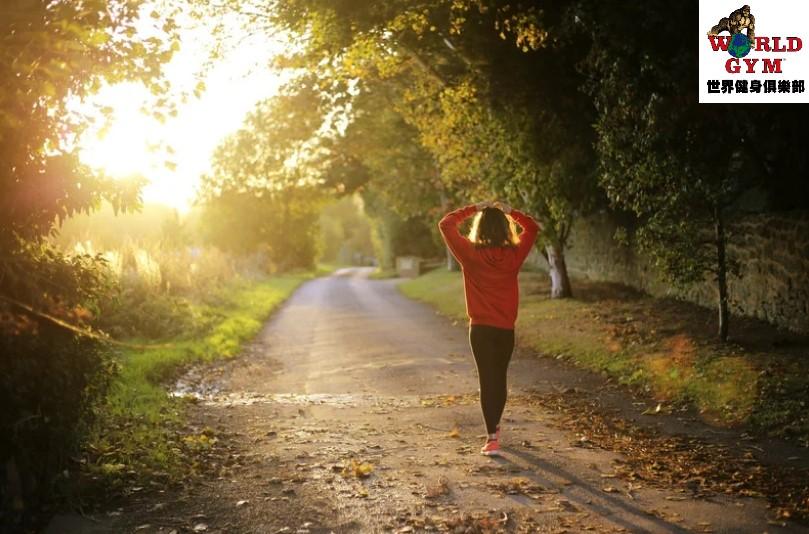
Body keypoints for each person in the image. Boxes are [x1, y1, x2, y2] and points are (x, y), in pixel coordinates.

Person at [438, 200, 540, 456]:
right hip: (505, 329)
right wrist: (510, 211)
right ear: (505, 228)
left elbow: (446, 224)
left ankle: (491, 437)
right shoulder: (514, 255)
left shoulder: (469, 254)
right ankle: (495, 428)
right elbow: (533, 228)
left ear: (479, 228)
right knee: (500, 378)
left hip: (480, 330)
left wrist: (474, 208)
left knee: (487, 379)